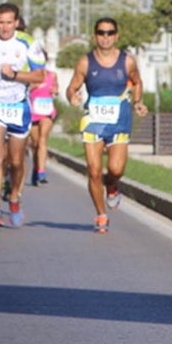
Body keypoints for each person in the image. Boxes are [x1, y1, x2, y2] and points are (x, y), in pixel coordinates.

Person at [65, 16, 149, 234]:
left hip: (119, 119)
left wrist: (138, 101)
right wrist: (72, 96)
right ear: (95, 36)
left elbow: (137, 81)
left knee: (115, 169)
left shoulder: (127, 60)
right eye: (101, 33)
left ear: (116, 36)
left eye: (110, 33)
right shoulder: (85, 62)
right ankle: (101, 215)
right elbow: (72, 87)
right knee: (93, 171)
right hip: (93, 121)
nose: (105, 37)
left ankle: (112, 185)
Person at [0, 3, 46, 227]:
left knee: (16, 161)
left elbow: (40, 76)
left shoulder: (27, 43)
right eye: (1, 22)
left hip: (19, 106)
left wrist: (15, 74)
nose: (5, 27)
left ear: (16, 22)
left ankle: (14, 197)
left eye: (9, 22)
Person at [28, 51, 58, 186]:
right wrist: (32, 86)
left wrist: (54, 90)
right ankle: (36, 169)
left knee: (42, 139)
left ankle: (42, 171)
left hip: (47, 110)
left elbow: (56, 88)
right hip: (33, 112)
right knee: (35, 144)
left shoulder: (52, 75)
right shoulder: (29, 76)